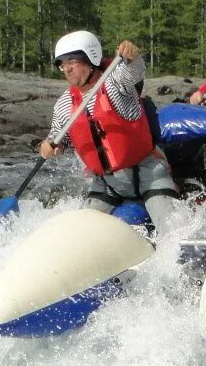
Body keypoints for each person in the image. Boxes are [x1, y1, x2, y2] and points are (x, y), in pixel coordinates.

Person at [40, 30, 180, 230]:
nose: (67, 69)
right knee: (80, 233)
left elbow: (134, 72)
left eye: (72, 62)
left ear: (90, 59)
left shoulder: (114, 81)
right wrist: (50, 145)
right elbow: (58, 136)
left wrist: (133, 57)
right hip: (108, 184)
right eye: (62, 64)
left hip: (149, 174)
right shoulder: (64, 104)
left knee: (172, 231)